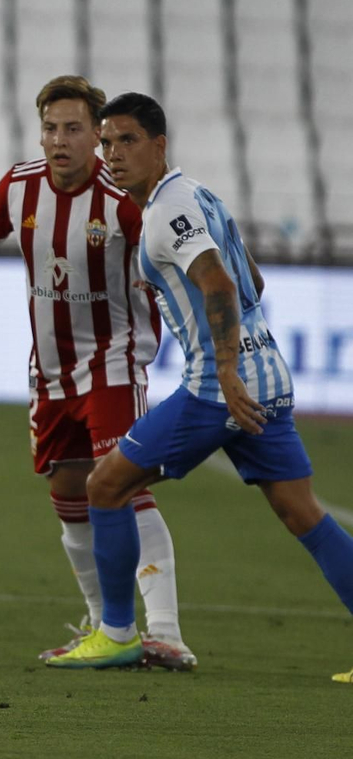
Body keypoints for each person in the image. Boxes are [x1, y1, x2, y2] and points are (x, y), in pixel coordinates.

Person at [0, 76, 193, 669]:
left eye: (74, 129)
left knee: (124, 488)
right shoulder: (21, 187)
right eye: (51, 128)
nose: (60, 140)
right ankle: (108, 628)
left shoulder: (124, 199)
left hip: (113, 363)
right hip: (49, 372)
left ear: (97, 137)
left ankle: (167, 633)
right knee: (69, 496)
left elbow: (175, 262)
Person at [47, 93, 353, 673]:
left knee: (106, 485)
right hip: (269, 377)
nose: (114, 154)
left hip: (220, 387)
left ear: (160, 146)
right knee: (303, 513)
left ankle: (116, 633)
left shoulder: (164, 212)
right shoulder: (200, 195)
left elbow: (221, 286)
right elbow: (252, 279)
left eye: (128, 141)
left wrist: (227, 370)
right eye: (107, 143)